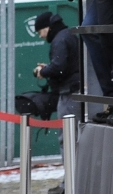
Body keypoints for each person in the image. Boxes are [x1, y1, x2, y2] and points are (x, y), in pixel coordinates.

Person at [32, 11, 80, 159]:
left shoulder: (59, 40)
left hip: (69, 93)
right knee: (74, 136)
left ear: (47, 27)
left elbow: (59, 67)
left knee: (66, 138)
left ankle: (70, 180)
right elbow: (66, 65)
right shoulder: (68, 34)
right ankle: (74, 178)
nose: (40, 35)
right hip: (75, 90)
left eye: (40, 31)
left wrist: (43, 71)